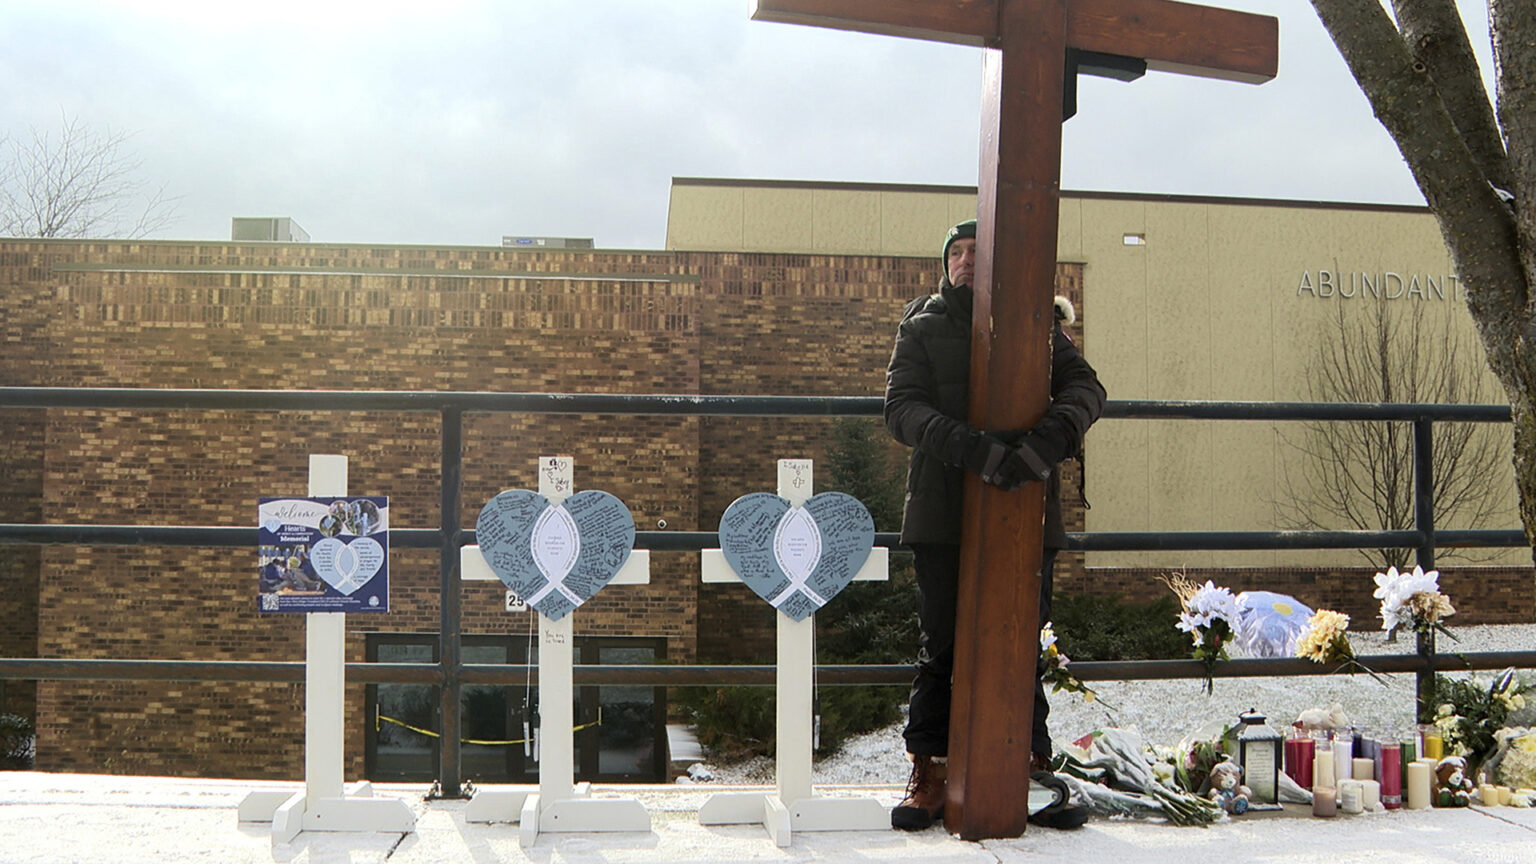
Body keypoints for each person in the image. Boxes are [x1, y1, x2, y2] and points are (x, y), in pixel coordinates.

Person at [884, 218, 1106, 831]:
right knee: (942, 642)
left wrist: (1040, 449)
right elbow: (901, 410)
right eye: (956, 252)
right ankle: (929, 772)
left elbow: (1086, 390)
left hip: (1026, 510)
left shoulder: (1040, 326)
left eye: (978, 252)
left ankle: (1029, 771)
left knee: (1023, 640)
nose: (965, 261)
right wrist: (976, 450)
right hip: (941, 510)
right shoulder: (921, 324)